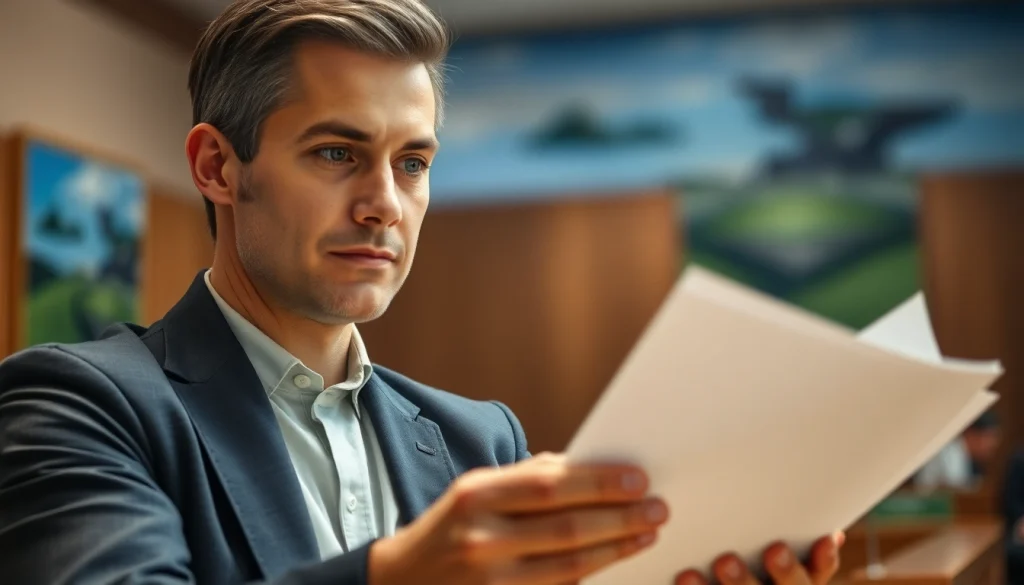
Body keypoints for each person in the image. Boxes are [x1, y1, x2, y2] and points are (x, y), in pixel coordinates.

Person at [0, 1, 844, 584]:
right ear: (218, 167)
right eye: (337, 152)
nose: (384, 203)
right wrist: (398, 573)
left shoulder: (482, 439)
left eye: (412, 163)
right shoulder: (75, 403)